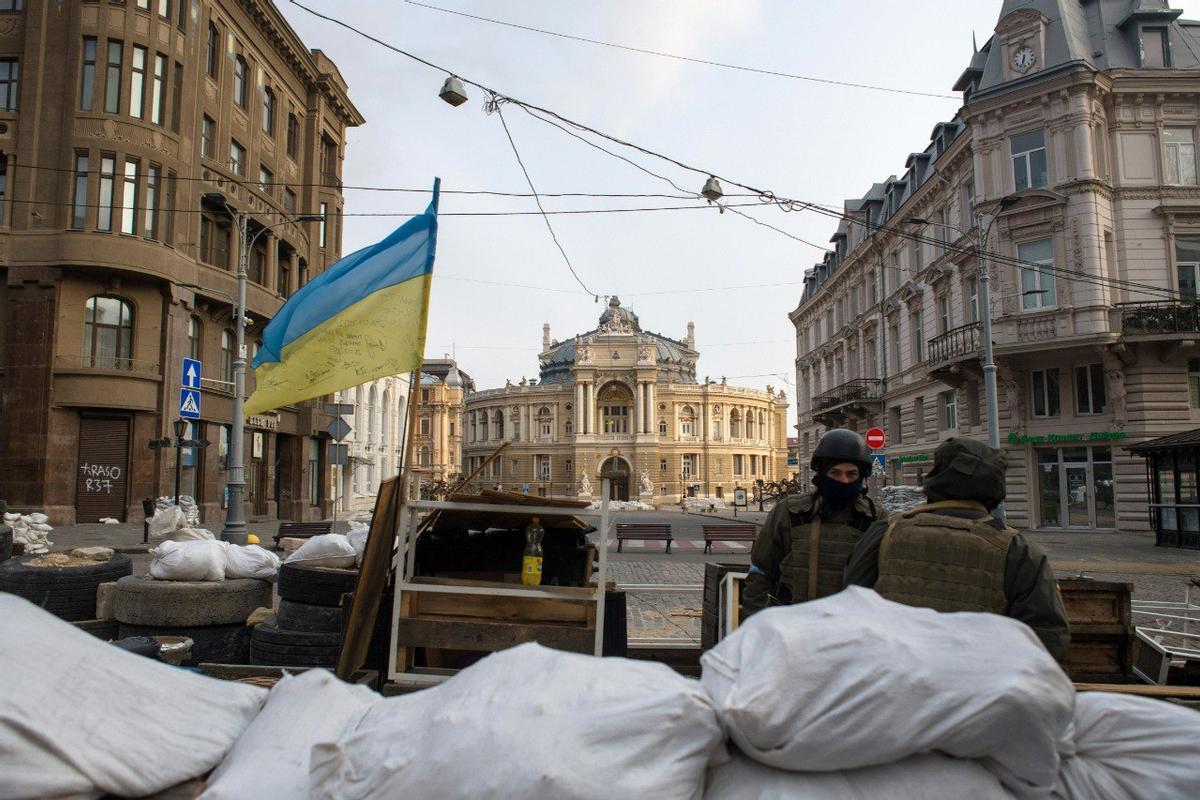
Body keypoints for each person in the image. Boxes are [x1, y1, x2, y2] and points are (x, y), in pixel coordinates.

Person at [843, 437, 1070, 662]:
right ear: (996, 489)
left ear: (935, 480)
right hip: (977, 690)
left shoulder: (886, 531)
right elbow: (1047, 640)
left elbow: (850, 604)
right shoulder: (1018, 550)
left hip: (893, 683)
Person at [742, 429, 884, 618]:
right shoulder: (789, 512)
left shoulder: (876, 520)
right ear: (822, 474)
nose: (844, 480)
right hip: (793, 626)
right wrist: (755, 626)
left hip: (852, 630)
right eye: (835, 473)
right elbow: (760, 573)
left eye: (852, 474)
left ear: (862, 477)